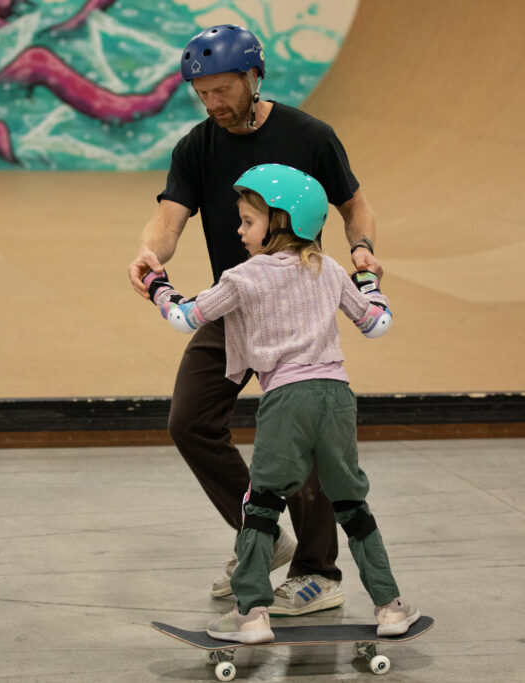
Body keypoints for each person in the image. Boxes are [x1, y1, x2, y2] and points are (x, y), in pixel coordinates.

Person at [128, 24, 382, 615]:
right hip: (237, 300)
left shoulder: (309, 135)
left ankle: (319, 573)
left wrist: (362, 248)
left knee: (308, 434)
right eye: (202, 93)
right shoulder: (197, 146)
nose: (212, 103)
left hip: (298, 306)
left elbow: (355, 204)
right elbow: (169, 219)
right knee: (189, 421)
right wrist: (149, 254)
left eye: (222, 90)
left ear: (252, 77)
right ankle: (261, 539)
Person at [142, 163, 418, 643]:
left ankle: (251, 615)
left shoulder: (244, 277)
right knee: (351, 503)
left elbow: (187, 319)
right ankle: (390, 607)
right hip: (337, 398)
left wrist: (157, 288)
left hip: (286, 399)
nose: (239, 230)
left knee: (262, 505)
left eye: (248, 221)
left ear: (282, 222)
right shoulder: (330, 269)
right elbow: (376, 324)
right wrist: (371, 282)